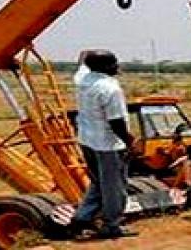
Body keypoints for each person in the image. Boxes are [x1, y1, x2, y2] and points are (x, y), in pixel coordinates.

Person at [70, 50, 137, 239]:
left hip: (86, 140)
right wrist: (129, 141)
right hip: (108, 144)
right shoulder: (110, 89)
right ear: (106, 67)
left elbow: (83, 58)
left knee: (99, 183)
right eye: (114, 63)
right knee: (114, 187)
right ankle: (111, 225)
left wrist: (88, 56)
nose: (118, 66)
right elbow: (116, 121)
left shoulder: (83, 79)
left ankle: (82, 218)